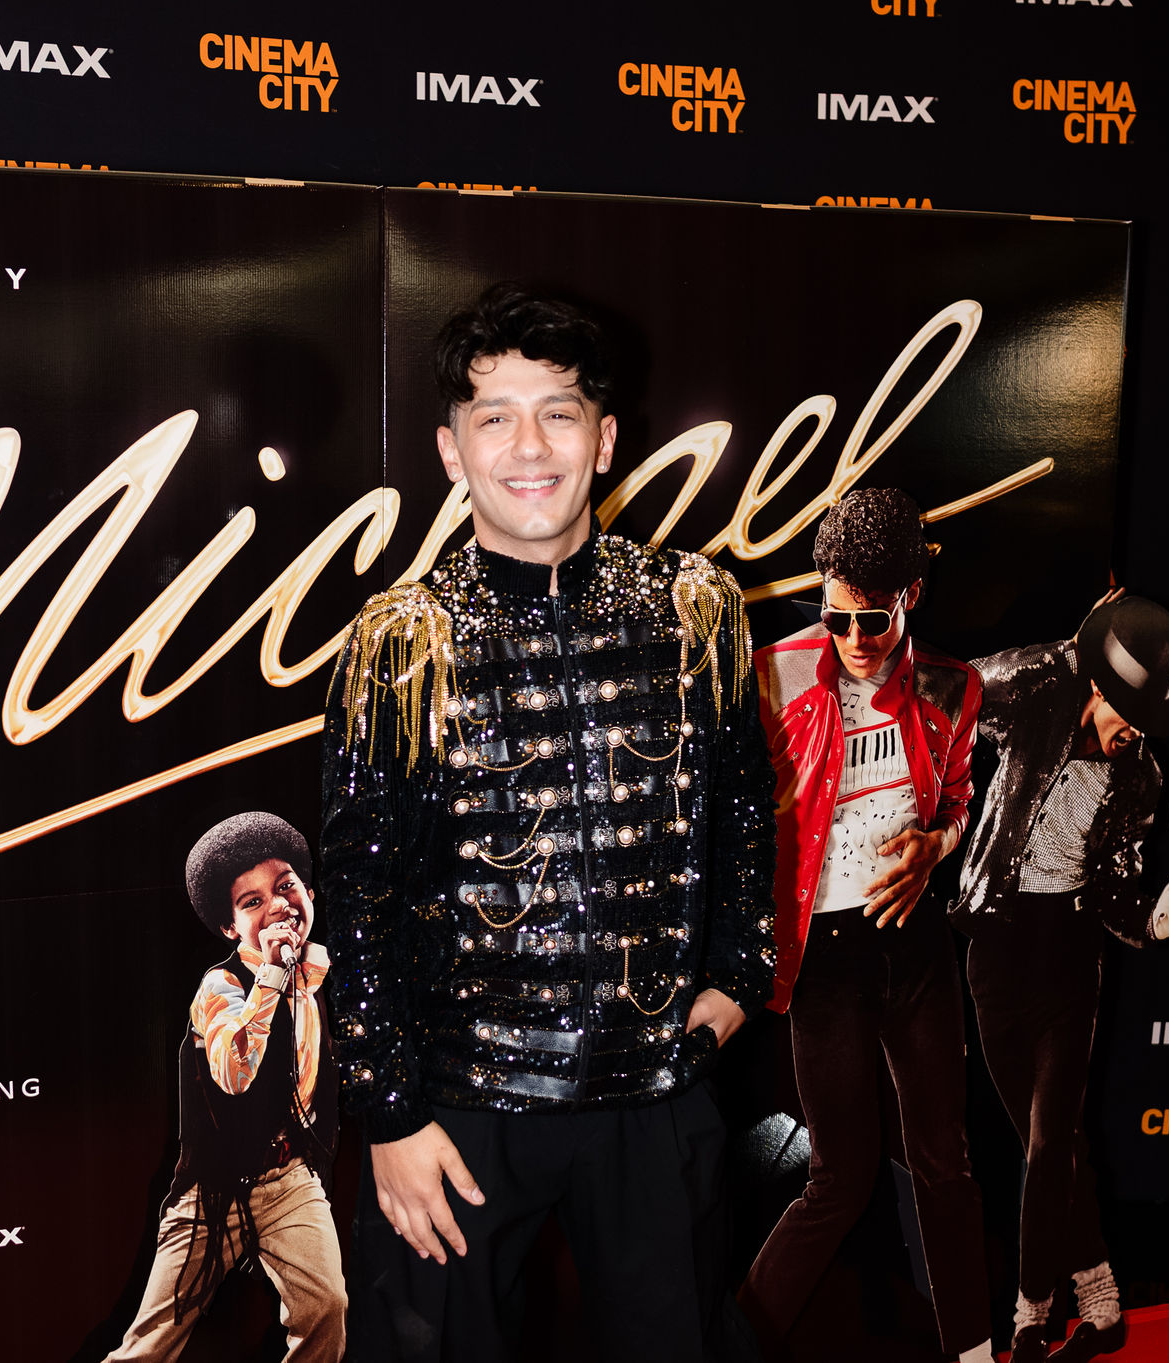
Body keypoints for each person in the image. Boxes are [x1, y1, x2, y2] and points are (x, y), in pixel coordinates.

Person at [319, 282, 777, 1361]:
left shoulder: (696, 608)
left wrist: (736, 980)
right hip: (459, 1108)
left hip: (653, 1094)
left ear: (604, 439)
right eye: (495, 417)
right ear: (451, 449)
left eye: (558, 413)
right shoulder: (402, 640)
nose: (529, 447)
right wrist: (389, 1113)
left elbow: (745, 812)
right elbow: (357, 888)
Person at [740, 487, 994, 1363]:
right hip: (824, 958)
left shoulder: (952, 686)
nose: (853, 639)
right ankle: (735, 1346)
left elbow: (958, 800)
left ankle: (973, 1352)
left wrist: (936, 847)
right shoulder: (773, 677)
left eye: (873, 620)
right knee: (839, 1178)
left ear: (911, 596)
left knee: (946, 1163)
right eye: (836, 615)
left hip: (916, 949)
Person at [951, 592, 1169, 1363]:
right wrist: (1074, 651)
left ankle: (1030, 1315)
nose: (1134, 731)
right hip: (996, 954)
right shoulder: (1039, 701)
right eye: (1128, 710)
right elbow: (962, 686)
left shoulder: (1140, 777)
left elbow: (1113, 888)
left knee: (1047, 1146)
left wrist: (1156, 920)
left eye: (1149, 719)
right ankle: (1102, 1300)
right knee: (1059, 1145)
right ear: (1097, 686)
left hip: (1070, 962)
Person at [106, 811, 346, 1363]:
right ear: (231, 928)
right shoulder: (221, 984)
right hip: (214, 1189)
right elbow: (234, 1075)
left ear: (310, 894)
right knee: (152, 1343)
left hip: (289, 1178)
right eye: (253, 901)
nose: (278, 905)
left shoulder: (317, 978)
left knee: (326, 1308)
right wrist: (271, 974)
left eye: (285, 887)